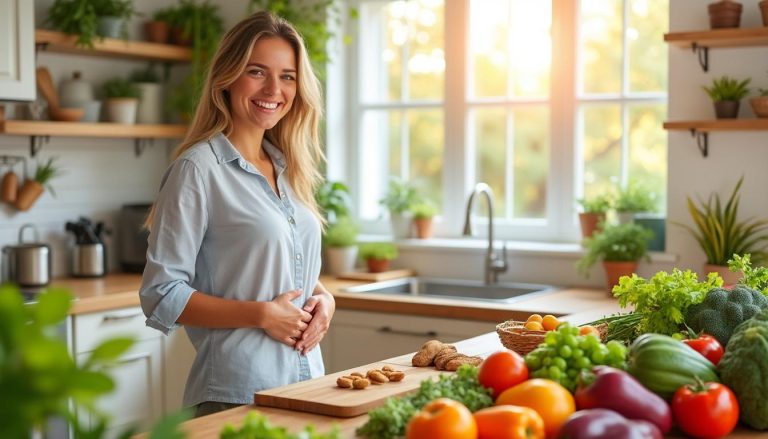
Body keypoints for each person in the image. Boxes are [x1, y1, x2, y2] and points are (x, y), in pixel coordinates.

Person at [139, 11, 334, 418]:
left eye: (287, 76)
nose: (273, 89)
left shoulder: (290, 168)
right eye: (256, 71)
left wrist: (323, 299)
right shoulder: (198, 170)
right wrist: (261, 315)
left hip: (307, 385)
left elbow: (284, 271)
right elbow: (162, 293)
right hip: (236, 393)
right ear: (227, 78)